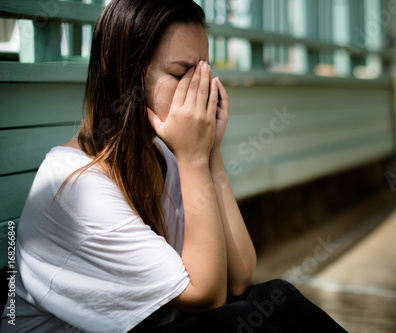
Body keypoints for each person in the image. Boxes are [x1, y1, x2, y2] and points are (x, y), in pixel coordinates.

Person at [0, 0, 348, 332]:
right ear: (126, 75)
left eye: (203, 76)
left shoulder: (164, 156)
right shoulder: (77, 187)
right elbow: (207, 296)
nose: (200, 94)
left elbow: (240, 278)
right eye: (181, 74)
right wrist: (195, 158)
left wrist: (212, 157)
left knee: (277, 297)